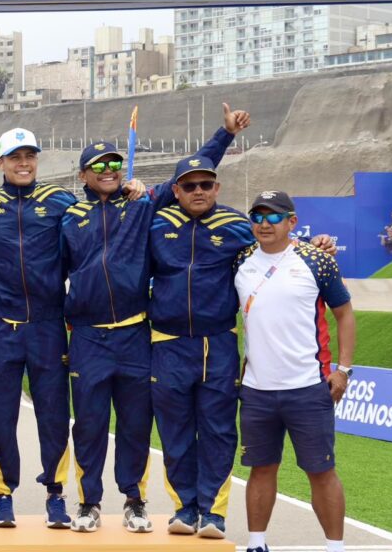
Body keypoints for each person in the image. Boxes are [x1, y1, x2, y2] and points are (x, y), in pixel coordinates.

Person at [63, 104, 248, 535]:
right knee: (88, 426)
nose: (109, 170)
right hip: (88, 336)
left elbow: (193, 173)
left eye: (114, 163)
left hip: (135, 334)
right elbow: (51, 270)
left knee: (136, 426)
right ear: (83, 175)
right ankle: (88, 503)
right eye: (98, 165)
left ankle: (135, 501)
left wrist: (225, 134)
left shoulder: (143, 204)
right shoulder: (69, 217)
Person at [235, 190, 355, 552]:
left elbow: (344, 314)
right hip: (256, 389)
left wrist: (344, 370)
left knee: (321, 471)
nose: (264, 224)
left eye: (274, 217)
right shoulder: (240, 259)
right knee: (261, 468)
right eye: (257, 217)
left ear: (292, 222)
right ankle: (257, 543)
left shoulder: (317, 260)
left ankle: (335, 547)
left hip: (308, 388)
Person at [0, 128, 77, 529]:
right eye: (15, 157)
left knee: (54, 413)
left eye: (29, 156)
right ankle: (3, 495)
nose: (23, 163)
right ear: (0, 162)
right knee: (0, 414)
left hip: (48, 325)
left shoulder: (60, 202)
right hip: (1, 325)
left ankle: (56, 492)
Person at [147, 156, 254, 539]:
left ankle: (213, 512)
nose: (198, 192)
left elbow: (277, 249)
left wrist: (316, 245)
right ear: (175, 190)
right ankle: (184, 507)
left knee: (218, 430)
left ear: (216, 188)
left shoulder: (236, 225)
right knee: (174, 430)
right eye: (189, 185)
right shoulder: (156, 223)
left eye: (205, 185)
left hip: (218, 344)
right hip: (168, 343)